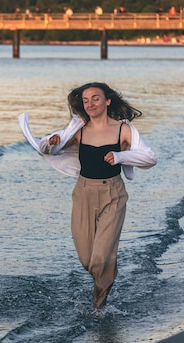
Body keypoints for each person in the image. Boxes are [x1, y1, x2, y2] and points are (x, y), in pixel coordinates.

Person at [18, 82, 157, 311]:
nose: (90, 104)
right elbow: (49, 148)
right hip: (83, 194)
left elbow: (150, 158)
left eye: (95, 98)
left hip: (113, 195)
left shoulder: (124, 130)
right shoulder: (79, 130)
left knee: (100, 258)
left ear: (107, 101)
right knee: (87, 260)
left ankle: (98, 307)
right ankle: (106, 276)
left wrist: (121, 156)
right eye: (85, 100)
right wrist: (51, 144)